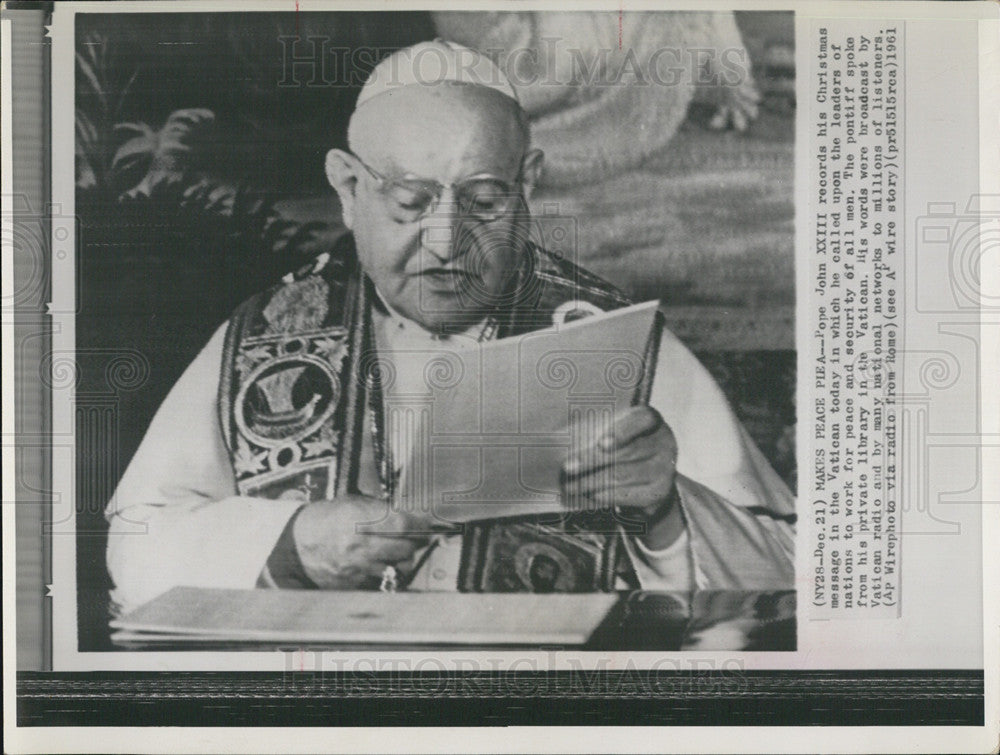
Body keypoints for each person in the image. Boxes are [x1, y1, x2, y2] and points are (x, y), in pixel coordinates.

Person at [106, 40, 794, 613]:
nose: (446, 241)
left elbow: (785, 572)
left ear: (528, 186)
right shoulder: (265, 336)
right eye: (410, 201)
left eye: (484, 200)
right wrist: (290, 541)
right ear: (348, 190)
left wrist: (664, 508)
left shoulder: (615, 340)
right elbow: (137, 542)